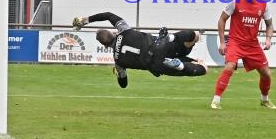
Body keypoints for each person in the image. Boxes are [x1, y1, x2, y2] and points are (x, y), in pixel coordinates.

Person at [72, 12, 207, 88]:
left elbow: (123, 84)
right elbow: (108, 15)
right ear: (113, 33)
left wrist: (119, 74)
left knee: (203, 68)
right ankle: (170, 38)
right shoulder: (123, 30)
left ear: (105, 46)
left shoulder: (118, 62)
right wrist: (85, 20)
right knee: (192, 35)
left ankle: (181, 65)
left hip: (157, 65)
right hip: (160, 46)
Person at [210, 0, 276, 110]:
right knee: (229, 66)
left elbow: (269, 25)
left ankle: (264, 100)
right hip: (235, 42)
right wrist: (223, 42)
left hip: (252, 44)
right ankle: (216, 101)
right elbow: (222, 20)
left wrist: (268, 40)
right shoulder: (235, 1)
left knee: (266, 73)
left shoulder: (263, 5)